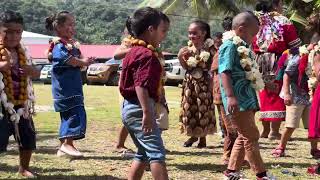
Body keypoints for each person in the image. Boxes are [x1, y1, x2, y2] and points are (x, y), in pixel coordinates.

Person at [220, 11, 273, 179]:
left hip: (247, 98)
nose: (254, 38)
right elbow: (224, 71)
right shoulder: (229, 45)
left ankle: (231, 172)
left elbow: (249, 72)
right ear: (241, 29)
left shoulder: (244, 47)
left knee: (244, 136)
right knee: (251, 136)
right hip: (237, 100)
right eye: (253, 34)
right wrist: (230, 96)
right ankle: (261, 174)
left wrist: (266, 83)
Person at [119, 7, 170, 180]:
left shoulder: (133, 50)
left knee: (143, 152)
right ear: (151, 29)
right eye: (163, 31)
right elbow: (141, 84)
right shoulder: (147, 54)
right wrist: (147, 112)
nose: (164, 35)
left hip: (130, 107)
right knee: (157, 153)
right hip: (140, 107)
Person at [45, 11, 95, 157]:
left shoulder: (71, 44)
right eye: (69, 24)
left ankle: (62, 147)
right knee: (74, 113)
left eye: (74, 24)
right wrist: (83, 62)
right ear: (59, 27)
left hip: (71, 87)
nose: (73, 27)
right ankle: (68, 144)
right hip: (66, 89)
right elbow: (69, 60)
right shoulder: (58, 45)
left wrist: (86, 60)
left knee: (68, 114)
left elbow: (77, 59)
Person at [253, 0, 302, 140]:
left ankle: (265, 130)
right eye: (281, 4)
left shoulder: (256, 19)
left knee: (264, 92)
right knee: (275, 92)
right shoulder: (282, 20)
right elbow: (294, 43)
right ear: (276, 4)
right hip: (277, 60)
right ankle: (274, 132)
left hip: (259, 60)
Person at [0, 10, 40, 178]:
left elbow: (37, 72)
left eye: (18, 32)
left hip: (22, 103)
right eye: (8, 31)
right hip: (1, 105)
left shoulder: (24, 51)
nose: (13, 36)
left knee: (28, 137)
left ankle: (24, 168)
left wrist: (32, 71)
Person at [178, 20, 216, 148]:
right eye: (189, 33)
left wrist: (212, 82)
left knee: (203, 109)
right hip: (190, 82)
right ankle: (194, 135)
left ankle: (202, 138)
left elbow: (214, 66)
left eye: (194, 33)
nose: (191, 36)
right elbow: (186, 67)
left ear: (204, 33)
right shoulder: (188, 48)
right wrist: (180, 58)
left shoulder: (210, 48)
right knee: (191, 108)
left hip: (204, 82)